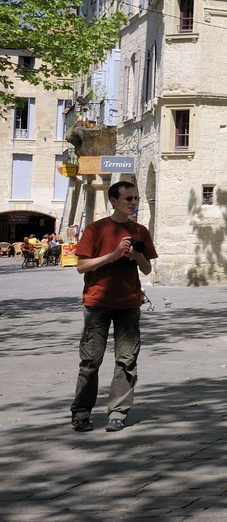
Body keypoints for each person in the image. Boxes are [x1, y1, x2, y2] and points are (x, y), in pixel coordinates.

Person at [70, 180, 157, 433]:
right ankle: (82, 412)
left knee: (127, 360)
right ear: (114, 201)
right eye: (128, 199)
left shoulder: (140, 231)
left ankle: (118, 412)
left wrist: (136, 256)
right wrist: (114, 253)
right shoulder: (96, 230)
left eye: (136, 198)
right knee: (90, 361)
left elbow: (147, 268)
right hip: (97, 303)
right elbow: (81, 266)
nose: (133, 203)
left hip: (129, 303)